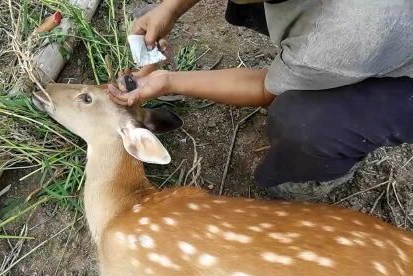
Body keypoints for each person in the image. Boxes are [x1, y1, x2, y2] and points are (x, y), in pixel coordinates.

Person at [109, 0, 413, 200]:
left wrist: (168, 81)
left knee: (304, 121)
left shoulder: (340, 40)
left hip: (400, 73)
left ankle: (316, 176)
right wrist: (171, 9)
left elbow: (267, 90)